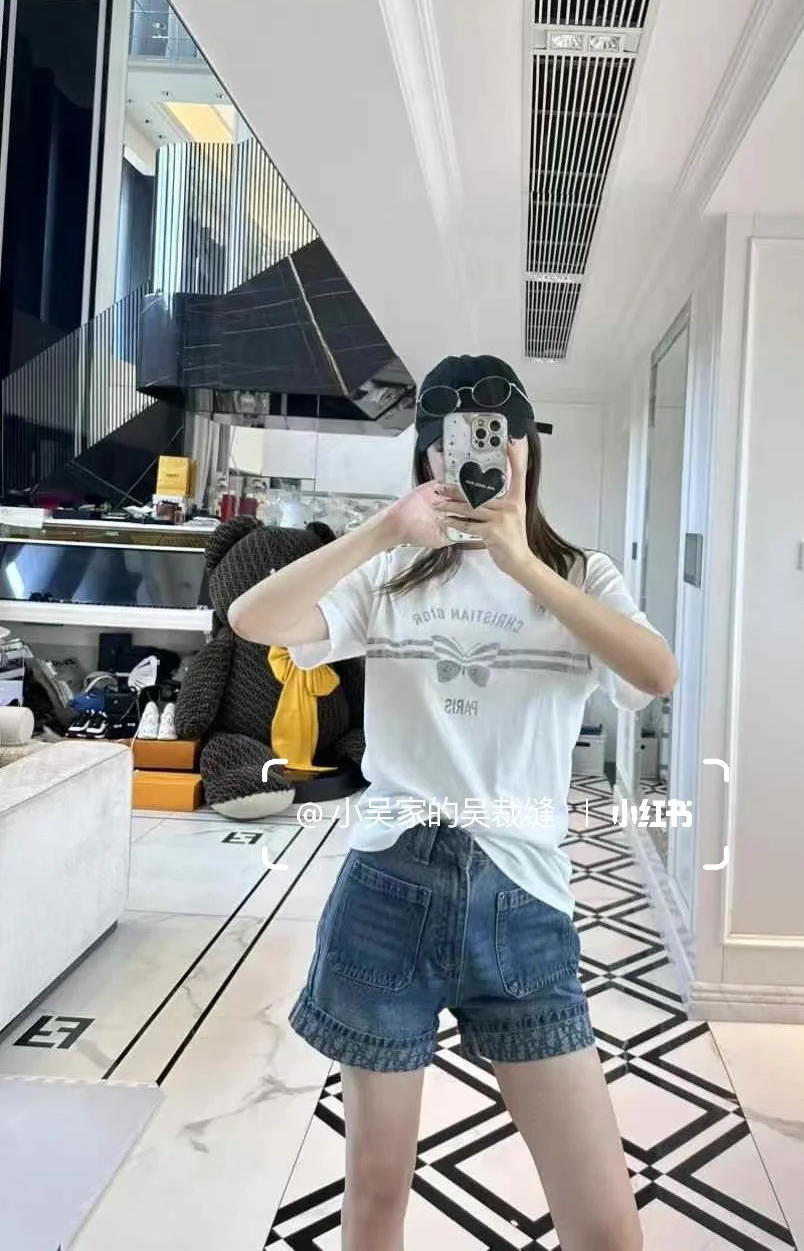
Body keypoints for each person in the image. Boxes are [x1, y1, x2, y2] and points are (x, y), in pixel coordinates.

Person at [229, 354, 678, 1251]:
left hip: (524, 898)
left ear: (528, 451)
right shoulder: (391, 577)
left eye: (500, 438)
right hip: (387, 890)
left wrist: (522, 563)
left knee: (605, 1224)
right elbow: (252, 619)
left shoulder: (581, 574)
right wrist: (382, 531)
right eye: (454, 443)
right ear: (429, 458)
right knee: (376, 1194)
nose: (480, 457)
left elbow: (655, 673)